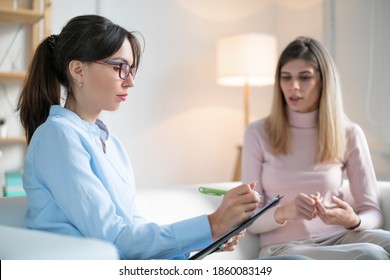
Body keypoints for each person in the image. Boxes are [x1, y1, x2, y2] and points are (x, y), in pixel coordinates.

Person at [17, 14, 308, 260]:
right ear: (78, 69)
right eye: (120, 67)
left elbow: (133, 232)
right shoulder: (57, 138)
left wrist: (210, 238)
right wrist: (211, 223)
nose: (130, 80)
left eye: (131, 69)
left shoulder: (109, 144)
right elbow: (113, 239)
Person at [242, 36, 390, 260]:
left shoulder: (349, 133)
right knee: (371, 255)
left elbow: (372, 211)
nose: (294, 86)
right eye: (286, 78)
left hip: (340, 238)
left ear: (323, 82)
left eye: (305, 77)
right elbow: (249, 219)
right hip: (285, 248)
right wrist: (284, 212)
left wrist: (353, 221)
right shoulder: (257, 133)